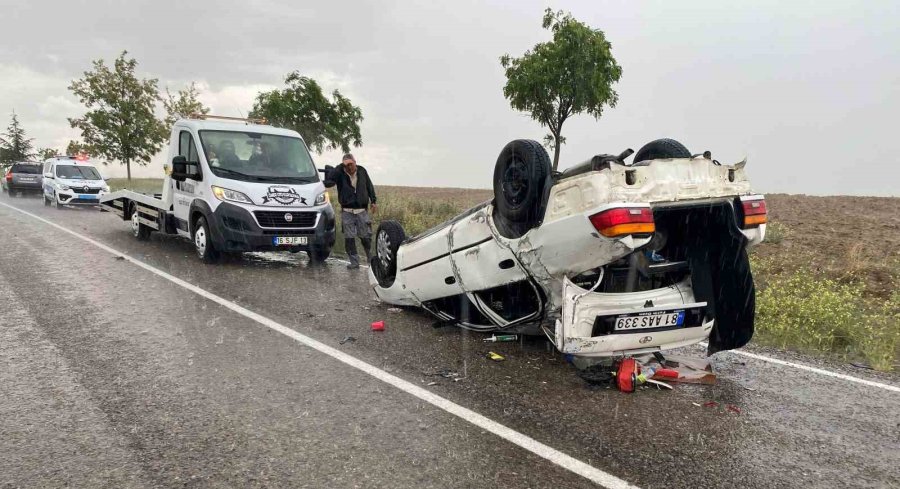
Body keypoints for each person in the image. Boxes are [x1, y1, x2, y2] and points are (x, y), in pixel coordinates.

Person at [323, 153, 377, 269]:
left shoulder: (362, 171)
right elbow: (328, 182)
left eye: (351, 164)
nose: (349, 167)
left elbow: (369, 186)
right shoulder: (340, 173)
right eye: (346, 165)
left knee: (365, 237)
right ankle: (354, 262)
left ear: (355, 162)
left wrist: (373, 201)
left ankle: (370, 260)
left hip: (362, 210)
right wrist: (338, 167)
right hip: (347, 211)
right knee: (349, 238)